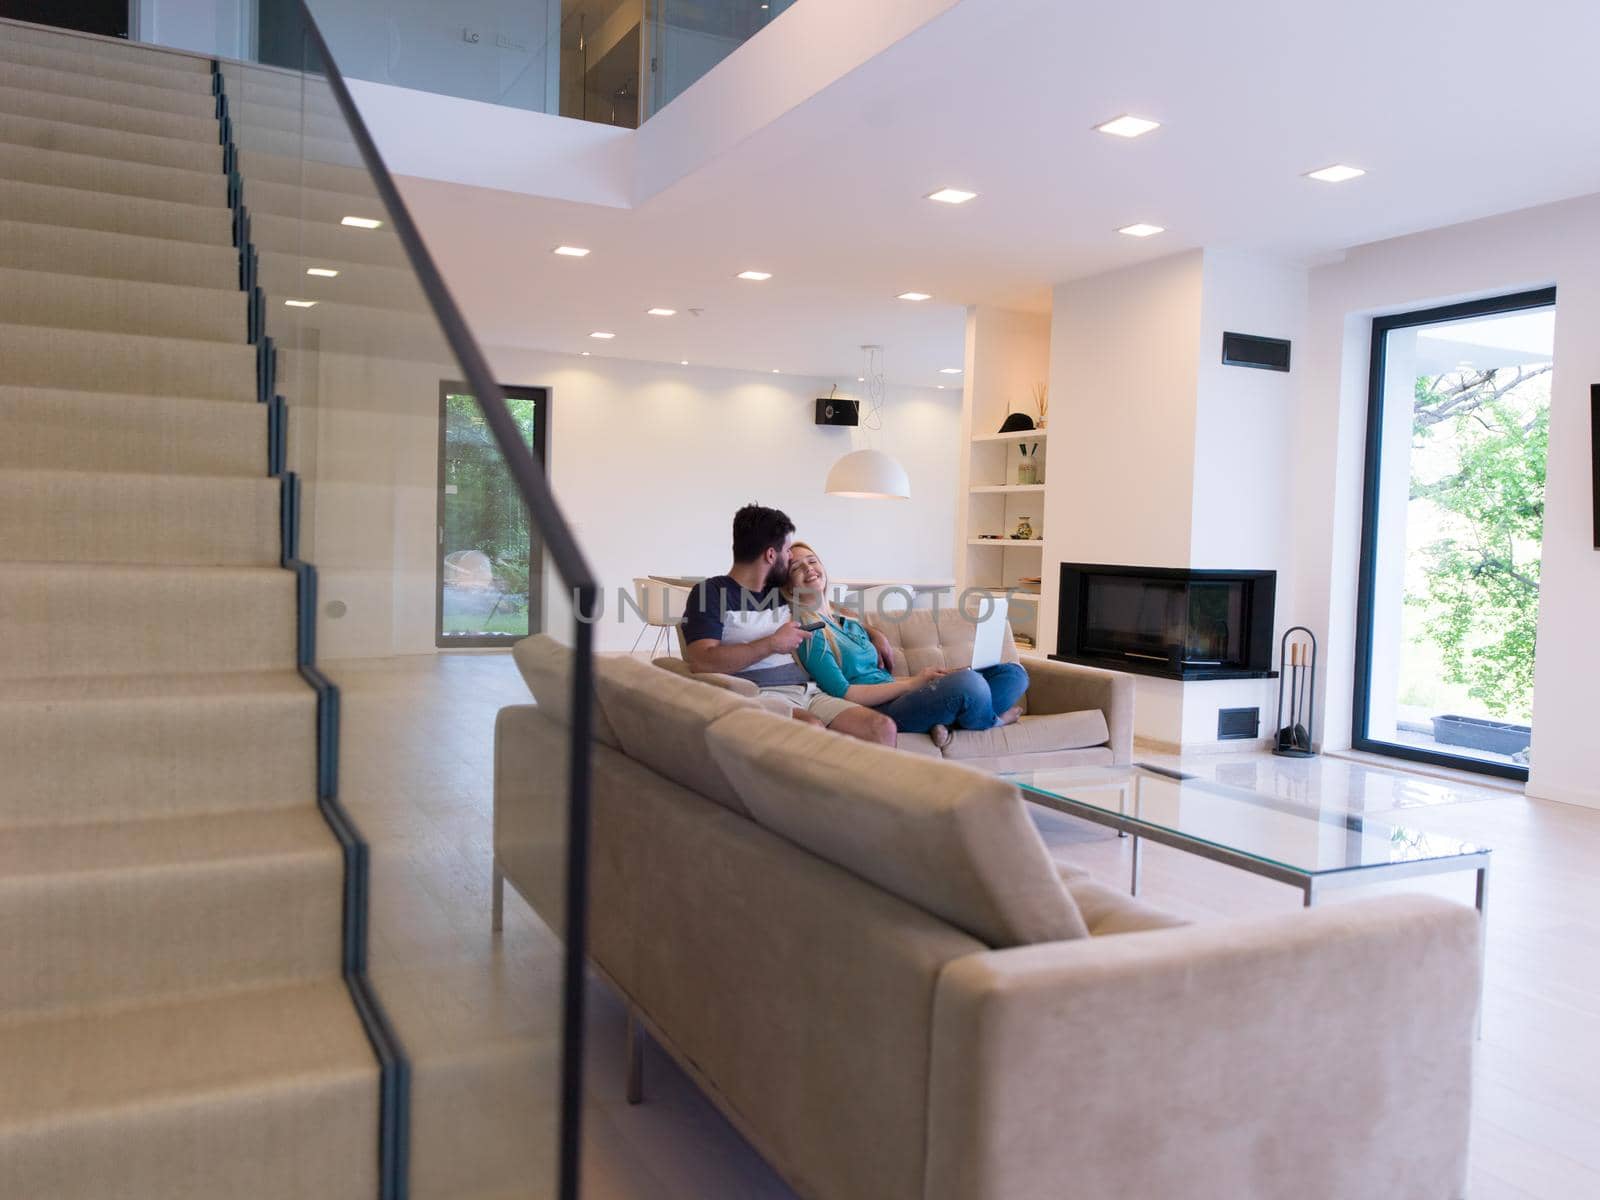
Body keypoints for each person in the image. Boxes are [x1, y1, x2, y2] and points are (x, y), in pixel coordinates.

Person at [680, 505, 897, 745]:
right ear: (771, 556)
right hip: (760, 694)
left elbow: (830, 610)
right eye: (787, 552)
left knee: (881, 727)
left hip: (810, 691)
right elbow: (702, 661)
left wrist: (874, 633)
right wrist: (771, 644)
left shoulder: (781, 590)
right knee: (811, 728)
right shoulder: (710, 593)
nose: (791, 557)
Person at [786, 541, 1027, 747]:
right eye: (797, 567)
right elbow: (845, 693)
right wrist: (913, 683)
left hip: (899, 694)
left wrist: (930, 678)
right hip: (880, 708)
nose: (809, 569)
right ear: (788, 586)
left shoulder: (845, 619)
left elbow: (879, 677)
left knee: (1013, 674)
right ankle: (994, 721)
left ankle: (948, 724)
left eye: (812, 560)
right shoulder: (809, 632)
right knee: (970, 684)